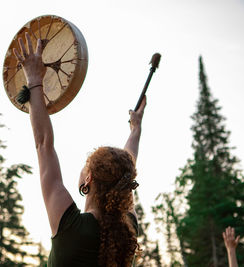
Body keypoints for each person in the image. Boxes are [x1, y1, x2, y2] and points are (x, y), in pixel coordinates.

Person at [13, 32, 146, 266]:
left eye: (86, 165)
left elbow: (44, 144)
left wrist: (34, 79)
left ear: (89, 178)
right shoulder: (127, 233)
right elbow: (126, 168)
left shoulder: (71, 228)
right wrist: (135, 131)